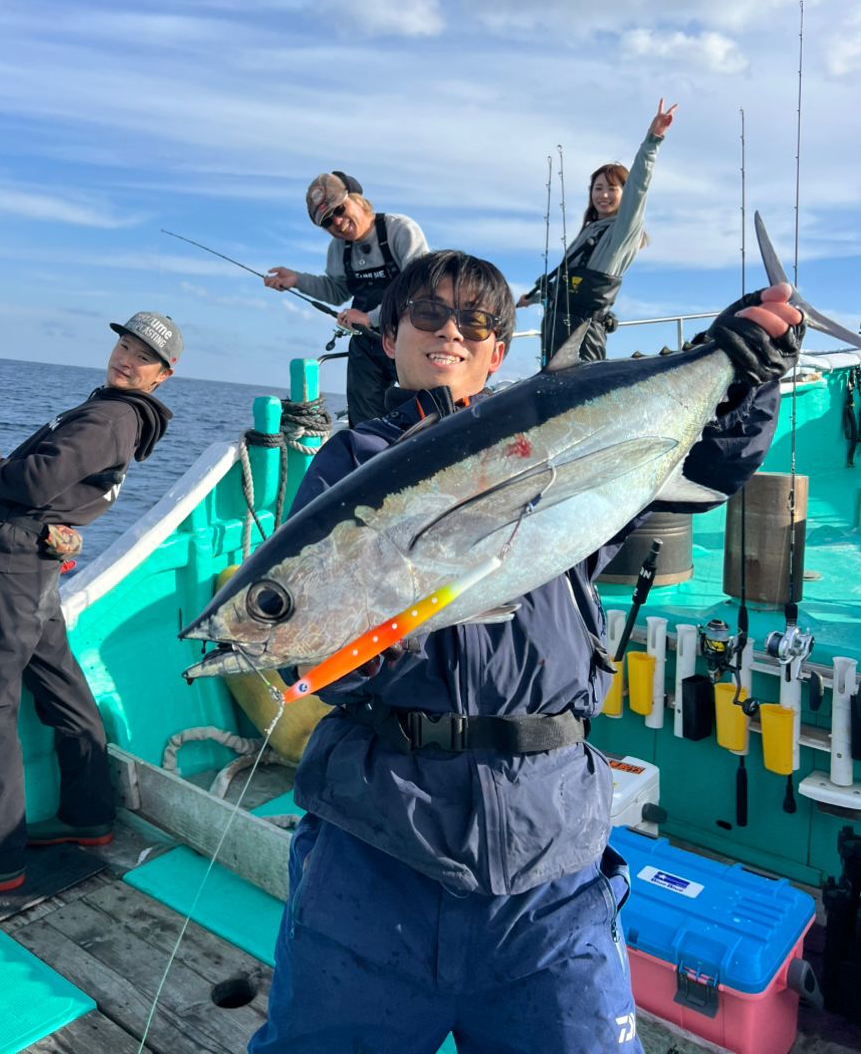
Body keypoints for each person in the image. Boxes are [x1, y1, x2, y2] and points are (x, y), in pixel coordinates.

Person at [248, 250, 803, 1054]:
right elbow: (308, 646)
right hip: (377, 845)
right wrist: (348, 649)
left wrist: (746, 376)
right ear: (391, 336)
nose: (450, 333)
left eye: (475, 323)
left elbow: (701, 469)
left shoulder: (563, 442)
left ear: (498, 353)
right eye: (428, 316)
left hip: (549, 851)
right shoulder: (352, 464)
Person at [0, 311, 182, 903]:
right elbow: (54, 480)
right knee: (62, 688)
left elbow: (35, 485)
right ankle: (87, 814)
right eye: (124, 343)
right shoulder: (117, 414)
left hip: (7, 575)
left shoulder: (112, 415)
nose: (125, 357)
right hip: (34, 574)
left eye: (142, 355)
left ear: (162, 375)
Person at [518, 100, 678, 363]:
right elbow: (566, 282)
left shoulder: (622, 231)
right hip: (557, 332)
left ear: (624, 195)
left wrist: (653, 140)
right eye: (598, 188)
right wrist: (533, 298)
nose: (603, 195)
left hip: (583, 336)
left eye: (612, 189)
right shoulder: (589, 231)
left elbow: (639, 185)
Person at [264, 170, 428, 426]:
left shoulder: (400, 229)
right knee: (365, 422)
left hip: (412, 339)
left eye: (339, 210)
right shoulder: (339, 249)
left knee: (423, 410)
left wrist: (369, 317)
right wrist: (296, 279)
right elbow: (336, 291)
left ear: (357, 198)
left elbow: (420, 287)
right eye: (327, 221)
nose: (337, 222)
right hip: (367, 347)